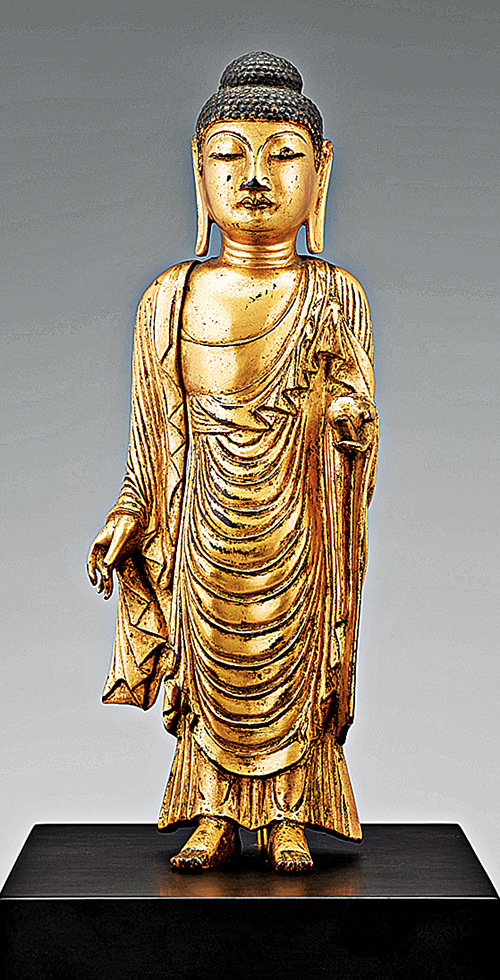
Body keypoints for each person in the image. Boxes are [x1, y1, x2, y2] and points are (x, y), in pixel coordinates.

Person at [88, 52, 378, 873]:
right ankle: (213, 812)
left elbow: (356, 410)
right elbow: (151, 439)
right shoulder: (169, 300)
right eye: (230, 154)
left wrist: (349, 424)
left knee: (294, 664)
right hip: (202, 521)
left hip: (299, 517)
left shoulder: (334, 296)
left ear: (320, 174)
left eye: (282, 154)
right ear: (199, 169)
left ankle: (289, 814)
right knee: (211, 663)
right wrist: (128, 513)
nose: (254, 177)